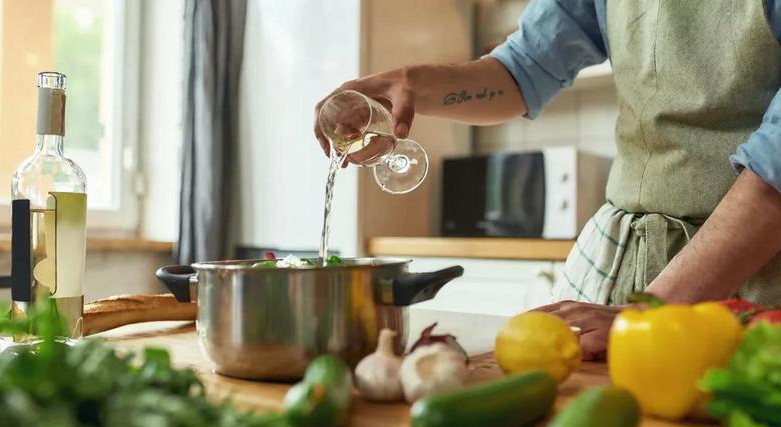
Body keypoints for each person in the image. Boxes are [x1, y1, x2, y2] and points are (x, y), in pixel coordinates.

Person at [314, 0, 781, 360]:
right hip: (631, 271)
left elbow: (774, 165)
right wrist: (409, 84)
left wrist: (650, 311)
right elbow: (523, 68)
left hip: (752, 277)